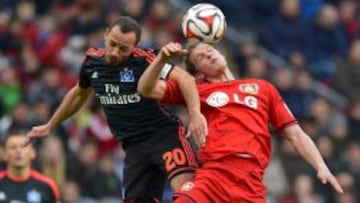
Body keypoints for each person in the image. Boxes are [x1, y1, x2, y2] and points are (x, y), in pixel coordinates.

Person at [25, 16, 208, 203]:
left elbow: (184, 78)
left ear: (135, 47)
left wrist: (195, 114)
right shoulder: (92, 62)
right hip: (133, 147)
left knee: (188, 194)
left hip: (164, 137)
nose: (114, 52)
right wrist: (50, 125)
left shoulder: (144, 59)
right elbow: (79, 93)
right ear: (106, 34)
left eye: (123, 49)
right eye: (112, 43)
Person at [137, 40, 344, 203]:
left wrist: (320, 165)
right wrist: (162, 59)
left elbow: (295, 134)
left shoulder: (263, 88)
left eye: (209, 49)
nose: (209, 54)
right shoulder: (197, 91)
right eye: (201, 56)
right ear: (198, 73)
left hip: (251, 182)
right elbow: (145, 88)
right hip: (214, 176)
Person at [0, 131, 60, 203]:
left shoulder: (47, 186)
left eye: (23, 146)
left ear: (33, 152)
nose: (18, 151)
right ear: (4, 154)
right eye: (13, 147)